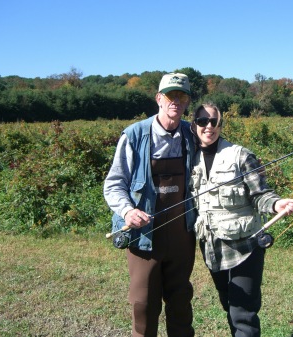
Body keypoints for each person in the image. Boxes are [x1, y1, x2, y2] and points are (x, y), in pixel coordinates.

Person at [189, 103, 293, 337]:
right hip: (212, 247)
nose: (209, 126)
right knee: (228, 305)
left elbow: (261, 194)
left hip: (246, 245)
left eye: (215, 121)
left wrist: (276, 204)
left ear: (220, 124)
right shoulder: (189, 158)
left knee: (244, 312)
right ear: (194, 125)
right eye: (202, 121)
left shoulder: (241, 155)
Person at [104, 73, 196, 337]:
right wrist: (127, 211)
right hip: (143, 238)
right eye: (170, 96)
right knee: (143, 306)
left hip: (182, 237)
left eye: (182, 96)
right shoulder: (135, 135)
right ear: (159, 99)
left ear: (187, 101)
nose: (175, 101)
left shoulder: (192, 134)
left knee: (180, 304)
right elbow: (113, 184)